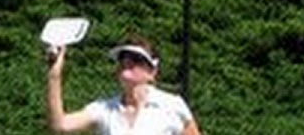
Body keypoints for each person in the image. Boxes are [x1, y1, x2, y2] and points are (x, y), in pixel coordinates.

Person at [47, 35, 202, 135]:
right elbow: (61, 125)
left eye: (136, 58)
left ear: (152, 71)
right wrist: (54, 75)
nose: (127, 62)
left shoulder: (172, 106)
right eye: (122, 58)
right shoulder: (104, 109)